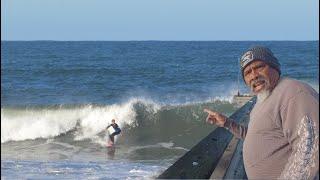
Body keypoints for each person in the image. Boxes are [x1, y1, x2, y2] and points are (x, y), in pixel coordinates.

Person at [204, 46, 319, 179]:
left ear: (275, 67)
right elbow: (257, 136)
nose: (254, 75)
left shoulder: (293, 92)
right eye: (247, 73)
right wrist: (227, 123)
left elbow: (310, 149)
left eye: (259, 67)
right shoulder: (263, 98)